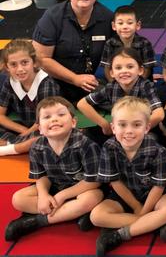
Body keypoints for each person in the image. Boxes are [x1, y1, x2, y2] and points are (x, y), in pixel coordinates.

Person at [91, 97, 166, 256]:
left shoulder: (158, 151)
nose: (129, 130)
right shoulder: (109, 147)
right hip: (125, 195)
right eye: (122, 125)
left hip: (156, 195)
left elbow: (158, 186)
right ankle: (156, 223)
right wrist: (137, 208)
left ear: (147, 128)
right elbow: (115, 182)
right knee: (96, 216)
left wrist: (145, 209)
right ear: (113, 127)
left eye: (137, 125)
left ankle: (120, 234)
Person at [4, 97, 103, 241]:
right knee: (18, 199)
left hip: (82, 188)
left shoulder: (85, 145)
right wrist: (44, 195)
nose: (54, 120)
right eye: (47, 117)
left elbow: (93, 181)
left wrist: (62, 196)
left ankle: (40, 221)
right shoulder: (38, 147)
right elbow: (41, 176)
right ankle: (71, 213)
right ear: (40, 129)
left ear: (73, 122)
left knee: (91, 198)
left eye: (61, 115)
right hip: (55, 186)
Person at [32, 0, 114, 103]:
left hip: (88, 81)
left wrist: (143, 73)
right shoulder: (52, 17)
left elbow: (126, 47)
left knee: (118, 99)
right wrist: (75, 79)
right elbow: (42, 59)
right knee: (52, 109)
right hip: (53, 80)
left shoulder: (108, 17)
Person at [77, 48, 164, 145]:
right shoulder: (111, 87)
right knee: (88, 134)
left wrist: (134, 130)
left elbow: (159, 114)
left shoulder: (145, 86)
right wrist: (104, 124)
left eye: (130, 67)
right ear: (112, 73)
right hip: (119, 129)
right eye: (118, 68)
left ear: (140, 70)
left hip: (142, 131)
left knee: (150, 140)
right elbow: (82, 104)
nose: (124, 71)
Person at [0, 39, 60, 156]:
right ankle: (17, 144)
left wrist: (25, 135)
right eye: (13, 64)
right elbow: (0, 115)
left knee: (47, 137)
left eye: (24, 62)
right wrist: (23, 132)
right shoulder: (10, 81)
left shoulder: (46, 84)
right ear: (7, 67)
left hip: (44, 126)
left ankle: (8, 147)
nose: (20, 69)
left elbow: (43, 121)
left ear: (34, 62)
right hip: (25, 127)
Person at [99, 5, 156, 81]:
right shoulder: (110, 43)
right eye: (120, 23)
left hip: (140, 83)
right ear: (114, 26)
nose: (125, 27)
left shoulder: (144, 43)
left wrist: (136, 85)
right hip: (117, 82)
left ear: (137, 25)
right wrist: (114, 84)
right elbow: (107, 67)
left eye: (129, 23)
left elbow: (148, 68)